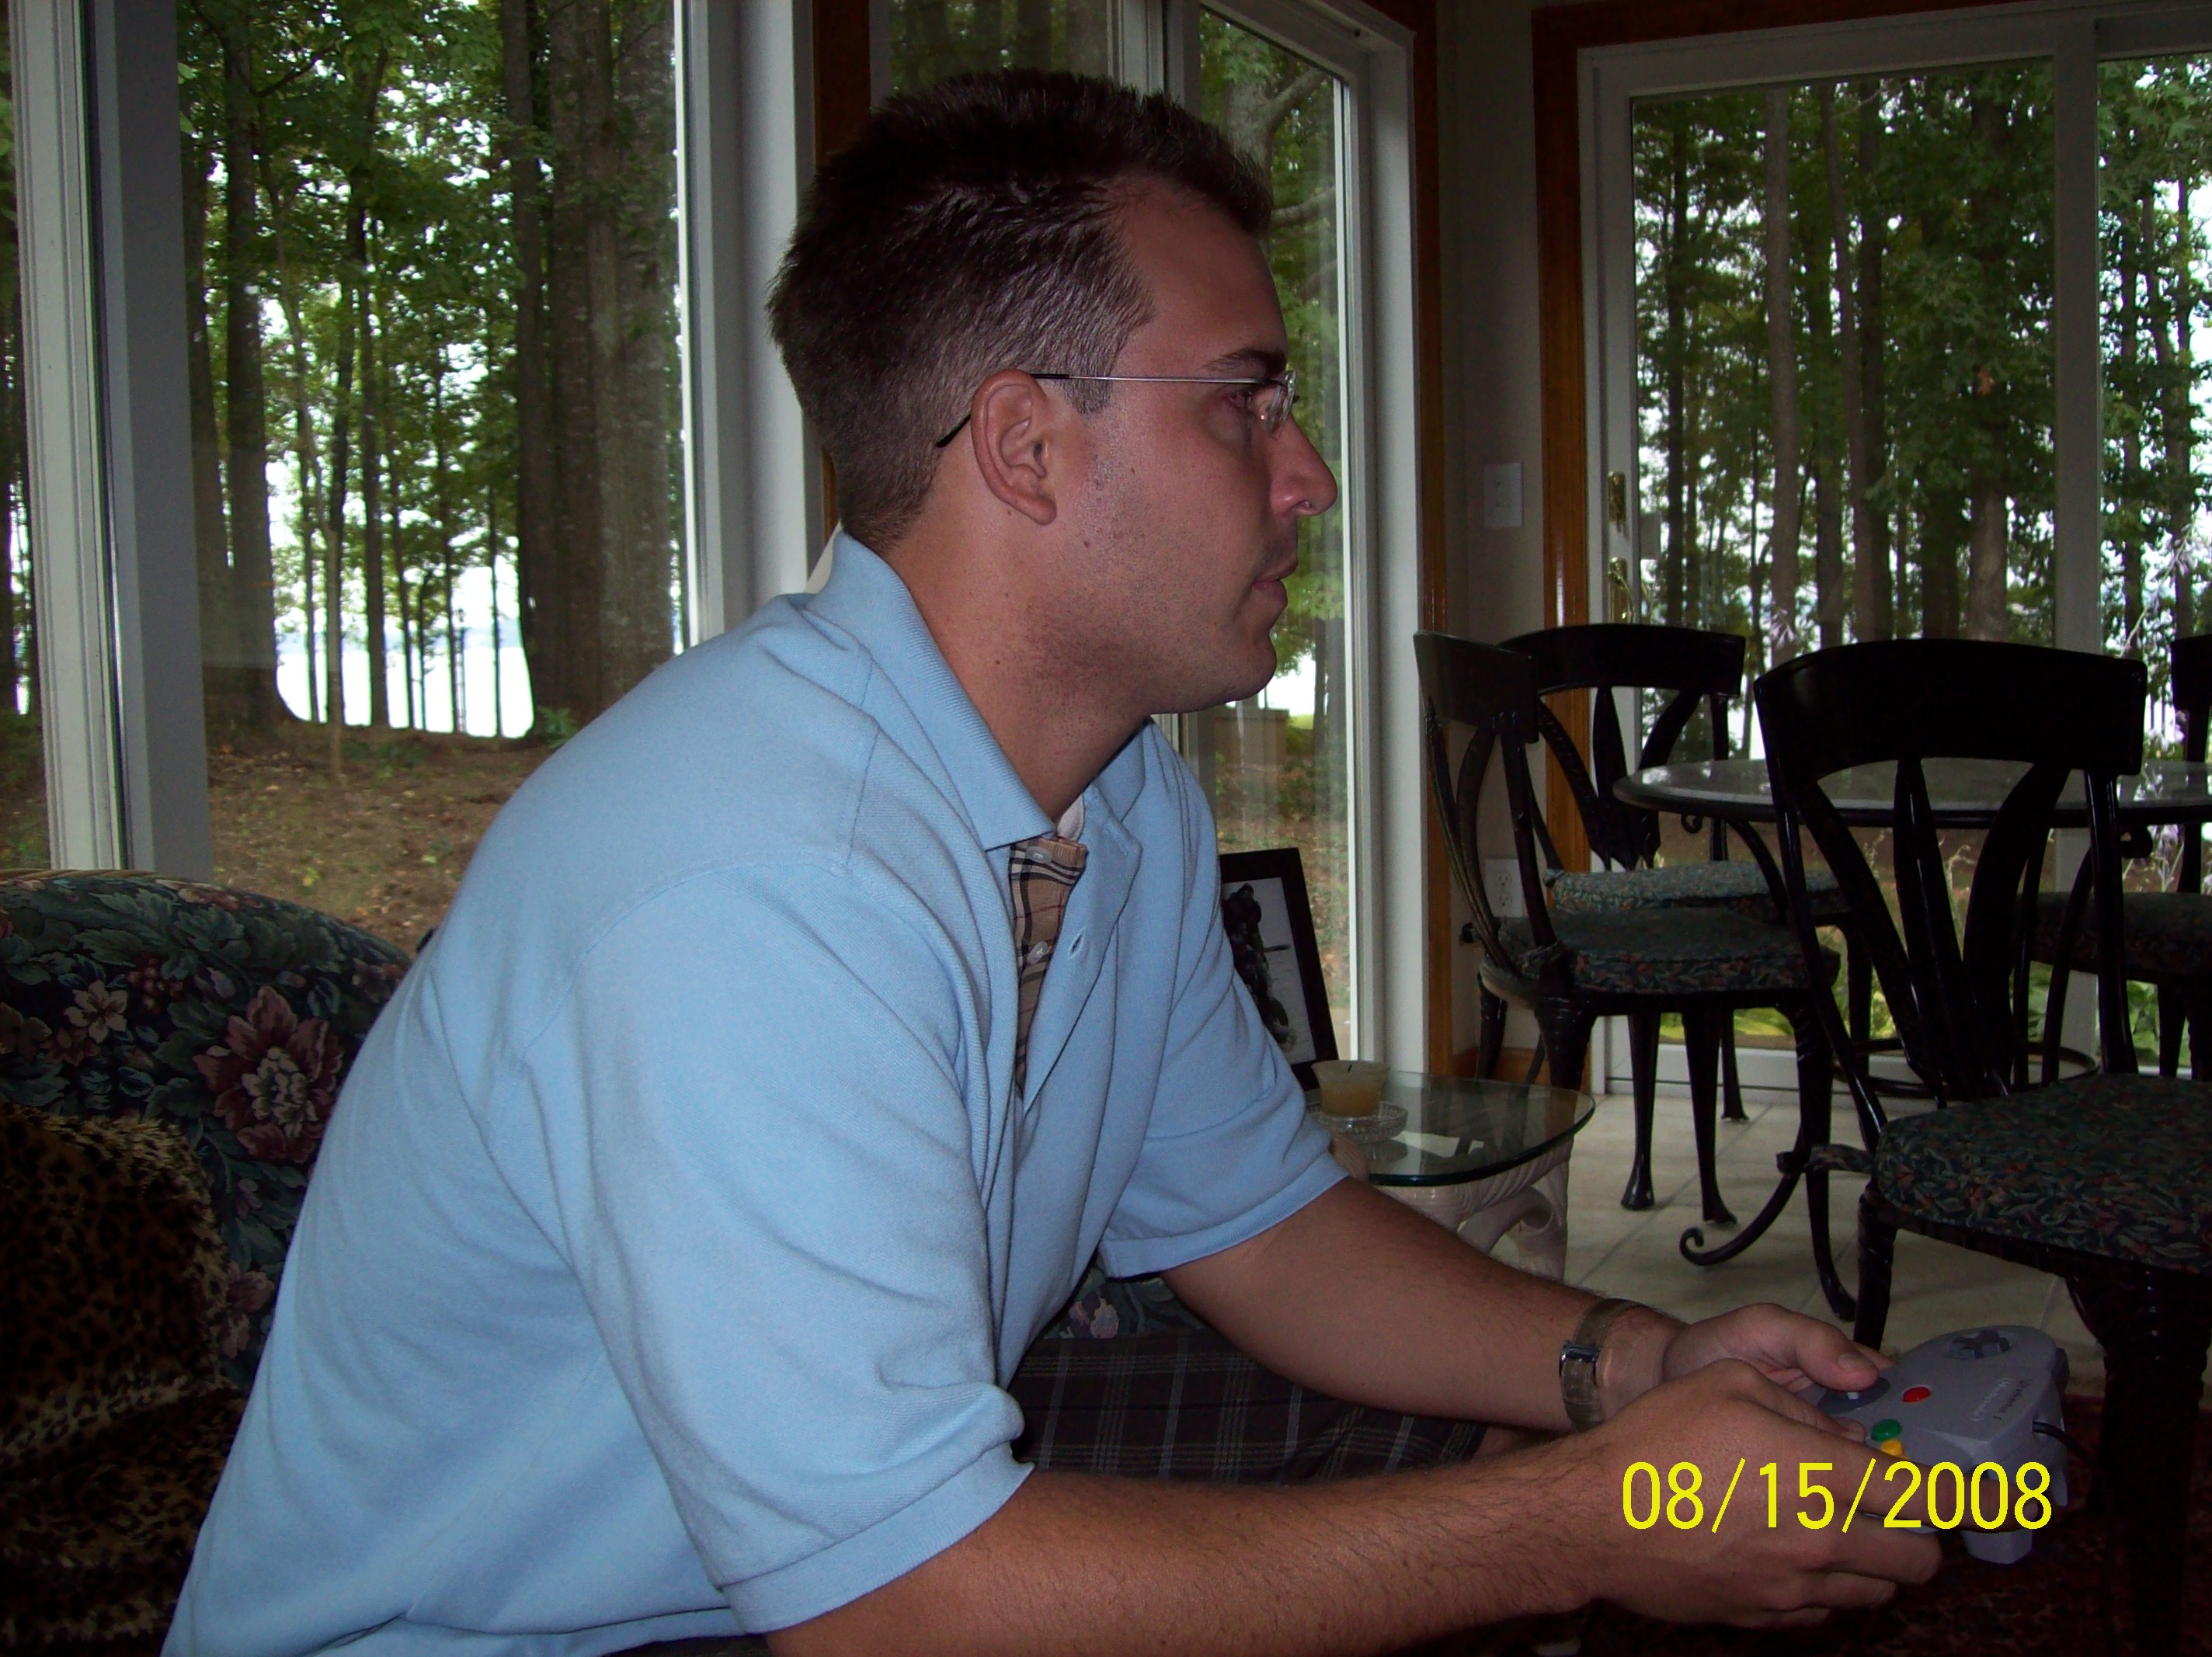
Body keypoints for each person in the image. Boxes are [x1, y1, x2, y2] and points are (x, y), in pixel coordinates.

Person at [168, 71, 1938, 1656]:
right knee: (1497, 1522)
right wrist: (1571, 1529)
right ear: (1024, 445)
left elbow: (1264, 1228)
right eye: (1245, 400)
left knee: (1465, 1452)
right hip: (525, 1633)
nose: (1309, 476)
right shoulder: (752, 879)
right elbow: (901, 1606)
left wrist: (1629, 1364)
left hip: (767, 1583)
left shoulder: (1118, 796)